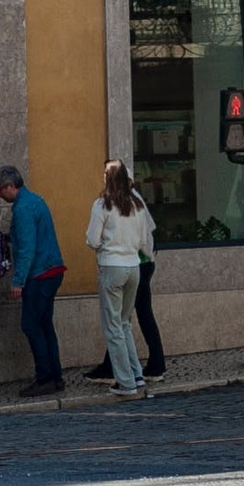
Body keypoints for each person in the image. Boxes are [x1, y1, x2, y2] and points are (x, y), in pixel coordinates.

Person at [0, 163, 66, 396]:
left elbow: (26, 248)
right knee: (44, 325)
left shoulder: (22, 208)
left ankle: (45, 378)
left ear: (11, 186)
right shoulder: (35, 200)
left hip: (39, 274)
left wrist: (18, 281)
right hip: (52, 270)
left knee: (31, 325)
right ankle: (55, 376)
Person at [86, 160, 156, 397]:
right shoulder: (136, 204)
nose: (103, 177)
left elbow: (93, 240)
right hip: (133, 267)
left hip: (112, 267)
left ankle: (125, 382)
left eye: (105, 173)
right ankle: (136, 374)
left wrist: (105, 245)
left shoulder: (102, 205)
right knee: (125, 323)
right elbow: (145, 239)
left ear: (110, 178)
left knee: (113, 327)